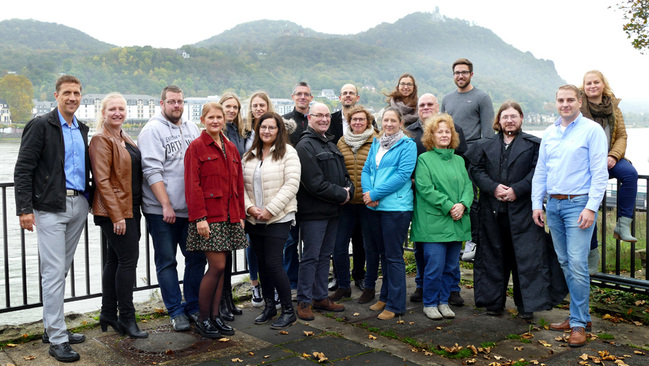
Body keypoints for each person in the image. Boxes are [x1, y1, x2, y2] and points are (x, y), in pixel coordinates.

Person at [14, 75, 91, 363]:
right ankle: (57, 338)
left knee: (61, 270)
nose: (72, 97)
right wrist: (24, 208)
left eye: (77, 93)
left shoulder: (81, 129)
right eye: (67, 93)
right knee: (53, 271)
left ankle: (52, 326)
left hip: (78, 204)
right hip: (49, 208)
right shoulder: (40, 125)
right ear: (56, 95)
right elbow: (23, 169)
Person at [467, 101, 567, 319]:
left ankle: (526, 307)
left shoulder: (534, 145)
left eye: (513, 116)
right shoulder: (485, 145)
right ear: (499, 120)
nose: (509, 120)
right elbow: (475, 169)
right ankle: (494, 303)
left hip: (524, 211)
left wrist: (518, 190)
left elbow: (538, 172)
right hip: (492, 213)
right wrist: (492, 188)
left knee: (526, 259)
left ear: (521, 119)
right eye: (505, 117)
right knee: (493, 257)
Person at [532, 85, 608, 348]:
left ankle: (577, 324)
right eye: (560, 100)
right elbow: (541, 170)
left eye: (570, 100)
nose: (565, 104)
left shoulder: (592, 130)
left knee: (577, 263)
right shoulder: (550, 132)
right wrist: (536, 204)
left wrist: (591, 207)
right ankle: (581, 316)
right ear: (556, 103)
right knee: (565, 262)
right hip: (553, 205)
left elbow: (600, 173)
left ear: (579, 102)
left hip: (578, 206)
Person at [139, 85, 206, 332]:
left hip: (190, 210)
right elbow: (151, 170)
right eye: (171, 102)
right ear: (162, 103)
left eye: (180, 101)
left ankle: (193, 306)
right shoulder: (152, 131)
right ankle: (175, 311)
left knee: (196, 259)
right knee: (167, 261)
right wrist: (165, 204)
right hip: (161, 211)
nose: (176, 105)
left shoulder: (191, 128)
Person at [184, 102, 248, 339]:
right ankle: (203, 320)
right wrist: (200, 218)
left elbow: (238, 185)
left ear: (224, 120)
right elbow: (192, 186)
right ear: (203, 120)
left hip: (229, 216)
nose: (215, 121)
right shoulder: (197, 147)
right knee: (217, 266)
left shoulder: (230, 147)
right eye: (210, 117)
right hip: (209, 218)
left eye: (219, 117)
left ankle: (215, 317)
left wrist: (240, 215)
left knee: (222, 269)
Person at [89, 93, 148, 338]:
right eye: (112, 109)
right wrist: (117, 216)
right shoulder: (100, 140)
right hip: (116, 211)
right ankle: (126, 317)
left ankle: (108, 313)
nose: (117, 113)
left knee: (114, 261)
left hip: (131, 208)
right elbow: (102, 181)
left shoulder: (124, 137)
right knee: (128, 261)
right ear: (103, 113)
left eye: (121, 109)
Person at [440, 58, 495, 305]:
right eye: (456, 72)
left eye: (464, 72)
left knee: (471, 199)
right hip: (451, 155)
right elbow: (444, 128)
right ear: (453, 75)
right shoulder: (447, 99)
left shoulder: (482, 98)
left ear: (471, 74)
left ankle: (472, 240)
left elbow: (488, 133)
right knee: (453, 201)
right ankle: (457, 240)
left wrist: (477, 156)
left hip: (472, 155)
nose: (460, 75)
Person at [406, 93, 468, 303]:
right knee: (431, 263)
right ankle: (429, 299)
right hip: (432, 215)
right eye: (439, 132)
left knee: (450, 264)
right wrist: (451, 205)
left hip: (455, 217)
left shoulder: (458, 160)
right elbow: (424, 187)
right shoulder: (423, 157)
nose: (443, 135)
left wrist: (463, 204)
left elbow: (468, 185)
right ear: (431, 136)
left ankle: (447, 297)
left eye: (447, 132)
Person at [294, 102, 353, 320]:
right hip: (313, 213)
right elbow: (313, 183)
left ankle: (320, 297)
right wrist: (343, 194)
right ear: (309, 118)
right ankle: (304, 301)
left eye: (327, 115)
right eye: (319, 115)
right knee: (310, 257)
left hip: (332, 212)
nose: (324, 119)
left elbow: (344, 173)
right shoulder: (305, 146)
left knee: (323, 256)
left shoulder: (330, 143)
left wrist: (350, 189)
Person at [243, 112, 301, 329]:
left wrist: (270, 210)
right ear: (258, 130)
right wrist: (249, 207)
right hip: (254, 218)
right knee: (262, 264)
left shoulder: (289, 153)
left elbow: (291, 184)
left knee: (275, 263)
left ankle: (288, 310)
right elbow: (240, 185)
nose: (266, 131)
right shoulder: (250, 155)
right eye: (263, 127)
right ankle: (269, 306)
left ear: (279, 130)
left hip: (279, 217)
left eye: (271, 127)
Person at [362, 107, 417, 320]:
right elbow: (367, 170)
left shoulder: (407, 145)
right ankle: (384, 297)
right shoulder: (376, 142)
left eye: (393, 120)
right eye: (386, 120)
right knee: (383, 254)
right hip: (375, 206)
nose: (389, 124)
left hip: (396, 208)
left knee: (394, 257)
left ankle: (395, 305)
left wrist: (375, 193)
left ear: (400, 122)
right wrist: (368, 193)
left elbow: (403, 175)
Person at [581, 70, 638, 265]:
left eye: (596, 82)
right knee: (591, 203)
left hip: (609, 158)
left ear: (603, 84)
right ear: (584, 87)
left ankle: (622, 225)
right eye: (588, 83)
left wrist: (613, 155)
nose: (592, 86)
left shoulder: (614, 107)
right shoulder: (579, 107)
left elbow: (621, 135)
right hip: (586, 163)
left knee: (630, 174)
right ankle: (592, 251)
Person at [331, 106, 377, 304]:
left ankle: (369, 286)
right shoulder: (341, 142)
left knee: (369, 246)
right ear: (349, 122)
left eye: (361, 119)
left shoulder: (376, 140)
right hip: (347, 204)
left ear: (368, 121)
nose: (357, 122)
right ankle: (343, 285)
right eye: (354, 120)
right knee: (338, 246)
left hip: (369, 203)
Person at [328, 84, 366, 293]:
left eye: (352, 92)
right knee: (339, 242)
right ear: (340, 97)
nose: (348, 96)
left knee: (360, 241)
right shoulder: (331, 120)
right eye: (345, 93)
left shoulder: (367, 123)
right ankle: (339, 279)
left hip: (363, 194)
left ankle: (359, 275)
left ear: (357, 97)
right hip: (341, 192)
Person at [218, 92, 249, 320]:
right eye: (227, 106)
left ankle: (228, 299)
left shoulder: (239, 134)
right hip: (221, 200)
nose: (231, 111)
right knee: (220, 258)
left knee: (228, 256)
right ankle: (220, 302)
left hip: (235, 197)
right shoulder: (218, 133)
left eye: (235, 107)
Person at [283, 82, 313, 293]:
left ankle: (308, 283)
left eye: (306, 94)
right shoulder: (284, 122)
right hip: (291, 190)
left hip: (312, 191)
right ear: (293, 96)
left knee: (311, 242)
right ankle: (291, 283)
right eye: (299, 94)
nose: (303, 97)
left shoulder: (317, 120)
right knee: (290, 241)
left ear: (311, 98)